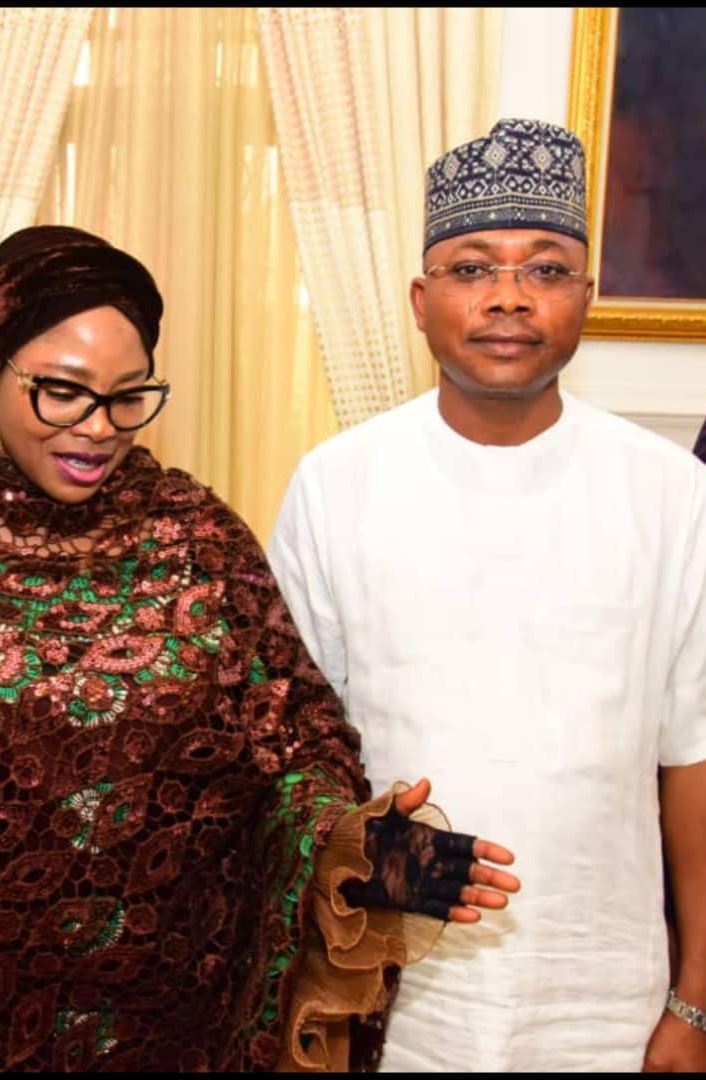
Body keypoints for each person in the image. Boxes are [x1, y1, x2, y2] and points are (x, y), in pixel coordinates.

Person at [0, 226, 520, 1072]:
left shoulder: (197, 538)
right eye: (61, 392)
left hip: (185, 1025)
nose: (97, 428)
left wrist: (350, 852)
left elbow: (292, 744)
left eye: (128, 396)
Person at [269, 118, 706, 1073]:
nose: (508, 296)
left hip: (604, 1001)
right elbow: (286, 756)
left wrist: (696, 1002)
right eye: (471, 268)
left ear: (586, 297)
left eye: (545, 268)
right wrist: (380, 863)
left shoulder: (669, 492)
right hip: (387, 990)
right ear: (420, 302)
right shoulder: (337, 484)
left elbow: (693, 756)